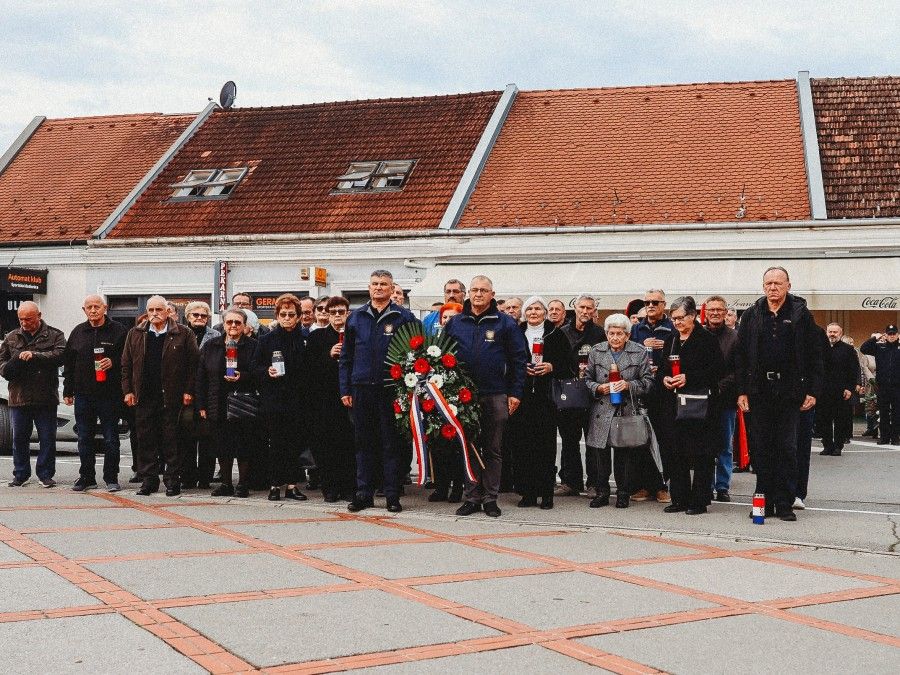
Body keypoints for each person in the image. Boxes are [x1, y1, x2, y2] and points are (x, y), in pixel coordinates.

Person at [736, 267, 823, 521]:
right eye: (768, 283)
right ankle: (763, 500)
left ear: (788, 285)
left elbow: (815, 356)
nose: (773, 288)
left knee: (787, 447)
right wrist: (742, 391)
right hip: (759, 391)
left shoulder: (801, 314)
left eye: (778, 283)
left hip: (789, 391)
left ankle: (784, 502)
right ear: (763, 287)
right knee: (761, 448)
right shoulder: (752, 314)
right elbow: (740, 356)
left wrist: (813, 391)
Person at [444, 275, 528, 517]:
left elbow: (518, 360)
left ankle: (490, 498)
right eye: (475, 290)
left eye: (484, 290)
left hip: (496, 394)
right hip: (463, 395)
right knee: (468, 447)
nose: (479, 294)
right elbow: (442, 356)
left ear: (492, 294)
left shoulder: (505, 323)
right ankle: (471, 497)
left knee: (493, 449)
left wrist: (515, 393)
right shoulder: (456, 322)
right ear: (468, 293)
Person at [339, 270, 418, 513]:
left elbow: (415, 355)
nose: (378, 288)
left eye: (384, 284)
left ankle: (392, 495)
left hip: (391, 389)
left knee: (390, 444)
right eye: (374, 284)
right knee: (364, 444)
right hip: (361, 388)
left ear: (392, 287)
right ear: (368, 287)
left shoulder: (404, 317)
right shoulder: (356, 318)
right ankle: (364, 493)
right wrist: (345, 387)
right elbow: (346, 356)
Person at [121, 295, 200, 496]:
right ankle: (149, 481)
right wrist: (128, 390)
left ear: (167, 311)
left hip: (171, 396)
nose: (155, 314)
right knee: (145, 440)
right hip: (144, 395)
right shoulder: (136, 333)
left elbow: (193, 365)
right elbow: (126, 364)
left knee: (171, 440)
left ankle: (173, 481)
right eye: (151, 310)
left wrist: (189, 391)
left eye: (158, 310)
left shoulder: (183, 333)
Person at [657, 297, 724, 515]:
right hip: (674, 405)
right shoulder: (671, 339)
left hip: (700, 405)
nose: (676, 322)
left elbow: (717, 371)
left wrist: (689, 377)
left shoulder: (707, 339)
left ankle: (699, 500)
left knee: (702, 454)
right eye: (673, 318)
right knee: (676, 453)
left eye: (680, 318)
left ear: (693, 316)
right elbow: (661, 368)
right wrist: (665, 378)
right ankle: (679, 498)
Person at [584, 313, 655, 508]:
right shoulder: (597, 351)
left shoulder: (639, 352)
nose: (615, 337)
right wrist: (598, 388)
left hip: (626, 408)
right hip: (601, 408)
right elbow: (587, 379)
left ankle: (623, 492)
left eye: (619, 334)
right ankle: (602, 492)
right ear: (606, 333)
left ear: (627, 335)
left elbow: (648, 382)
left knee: (625, 456)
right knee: (600, 454)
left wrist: (628, 385)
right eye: (611, 333)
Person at [506, 297, 568, 509]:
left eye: (537, 308)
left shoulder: (556, 334)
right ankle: (527, 493)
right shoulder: (515, 332)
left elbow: (568, 365)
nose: (533, 312)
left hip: (546, 398)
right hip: (521, 396)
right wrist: (521, 368)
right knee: (522, 446)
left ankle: (546, 494)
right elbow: (507, 360)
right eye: (529, 309)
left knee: (545, 447)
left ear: (544, 312)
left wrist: (551, 367)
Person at [62, 295, 128, 492]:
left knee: (110, 438)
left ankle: (111, 478)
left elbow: (128, 359)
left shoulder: (119, 331)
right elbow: (69, 363)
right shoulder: (78, 332)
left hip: (109, 395)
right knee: (84, 438)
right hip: (83, 394)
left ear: (104, 308)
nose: (93, 310)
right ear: (84, 310)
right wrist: (68, 389)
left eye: (96, 306)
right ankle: (86, 477)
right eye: (89, 307)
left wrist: (113, 362)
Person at [0, 302, 66, 488]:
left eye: (28, 318)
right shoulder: (11, 337)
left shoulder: (55, 334)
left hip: (45, 396)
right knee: (19, 438)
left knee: (47, 438)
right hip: (19, 396)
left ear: (39, 315)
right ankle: (20, 474)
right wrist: (10, 366)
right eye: (21, 319)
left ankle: (45, 474)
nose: (24, 323)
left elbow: (61, 355)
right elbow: (1, 361)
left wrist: (35, 355)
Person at [252, 293, 309, 501]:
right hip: (274, 400)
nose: (287, 318)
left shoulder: (304, 338)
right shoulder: (267, 339)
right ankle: (275, 485)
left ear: (298, 316)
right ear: (277, 315)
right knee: (276, 443)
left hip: (298, 400)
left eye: (291, 314)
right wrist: (266, 371)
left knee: (295, 443)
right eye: (283, 314)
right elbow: (255, 366)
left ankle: (292, 486)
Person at [196, 309, 258, 497]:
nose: (233, 326)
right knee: (222, 445)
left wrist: (243, 376)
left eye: (237, 322)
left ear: (244, 325)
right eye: (229, 322)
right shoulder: (211, 346)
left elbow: (258, 372)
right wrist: (202, 405)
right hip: (217, 400)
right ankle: (226, 483)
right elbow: (201, 377)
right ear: (223, 324)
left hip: (243, 401)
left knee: (243, 445)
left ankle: (243, 484)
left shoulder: (253, 345)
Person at [306, 296, 356, 502]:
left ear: (347, 313)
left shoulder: (354, 334)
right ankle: (330, 487)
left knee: (349, 444)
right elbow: (308, 367)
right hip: (325, 400)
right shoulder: (318, 337)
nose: (337, 316)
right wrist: (328, 355)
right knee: (327, 446)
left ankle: (349, 487)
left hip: (349, 398)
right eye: (332, 312)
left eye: (340, 312)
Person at [557, 295, 606, 496]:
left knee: (593, 440)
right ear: (574, 308)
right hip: (569, 392)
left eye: (589, 308)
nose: (585, 311)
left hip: (593, 393)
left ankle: (594, 483)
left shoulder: (599, 333)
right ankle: (570, 481)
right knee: (569, 439)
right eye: (582, 307)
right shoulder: (561, 333)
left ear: (594, 311)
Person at [629, 289, 674, 504]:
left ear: (664, 304)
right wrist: (641, 347)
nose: (651, 305)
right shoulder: (636, 329)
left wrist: (662, 363)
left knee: (664, 439)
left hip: (664, 392)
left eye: (655, 302)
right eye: (647, 301)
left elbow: (679, 355)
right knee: (640, 440)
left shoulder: (673, 328)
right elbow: (627, 353)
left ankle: (663, 485)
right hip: (640, 391)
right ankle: (644, 485)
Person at [427, 302, 465, 503]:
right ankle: (440, 486)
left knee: (456, 446)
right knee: (437, 444)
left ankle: (457, 487)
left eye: (452, 317)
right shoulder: (433, 341)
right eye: (444, 317)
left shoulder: (462, 341)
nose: (447, 321)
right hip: (434, 399)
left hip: (457, 399)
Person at [181, 301, 220, 489]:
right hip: (185, 395)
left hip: (207, 393)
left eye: (203, 315)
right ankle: (187, 476)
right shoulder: (179, 334)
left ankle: (205, 477)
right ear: (188, 316)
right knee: (186, 437)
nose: (199, 318)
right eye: (195, 315)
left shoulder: (216, 336)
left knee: (207, 438)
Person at [703, 295, 738, 502]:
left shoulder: (735, 337)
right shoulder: (698, 335)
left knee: (725, 445)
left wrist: (718, 387)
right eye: (711, 310)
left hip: (725, 399)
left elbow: (738, 369)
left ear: (726, 313)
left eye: (719, 310)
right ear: (706, 313)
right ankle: (705, 485)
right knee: (705, 445)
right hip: (702, 401)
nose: (715, 313)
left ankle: (722, 486)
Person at [818, 323, 859, 456]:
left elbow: (853, 370)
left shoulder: (848, 349)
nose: (832, 334)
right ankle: (827, 445)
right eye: (830, 331)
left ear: (840, 333)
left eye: (835, 332)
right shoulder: (820, 348)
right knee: (824, 419)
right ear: (826, 332)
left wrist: (849, 388)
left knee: (840, 420)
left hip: (841, 390)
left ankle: (838, 446)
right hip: (823, 390)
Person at [860, 325, 899, 445]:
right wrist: (875, 338)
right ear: (885, 335)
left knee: (897, 413)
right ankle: (884, 437)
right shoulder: (879, 347)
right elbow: (864, 348)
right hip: (882, 386)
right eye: (889, 334)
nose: (891, 336)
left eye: (894, 334)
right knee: (883, 412)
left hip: (897, 386)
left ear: (897, 335)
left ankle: (895, 437)